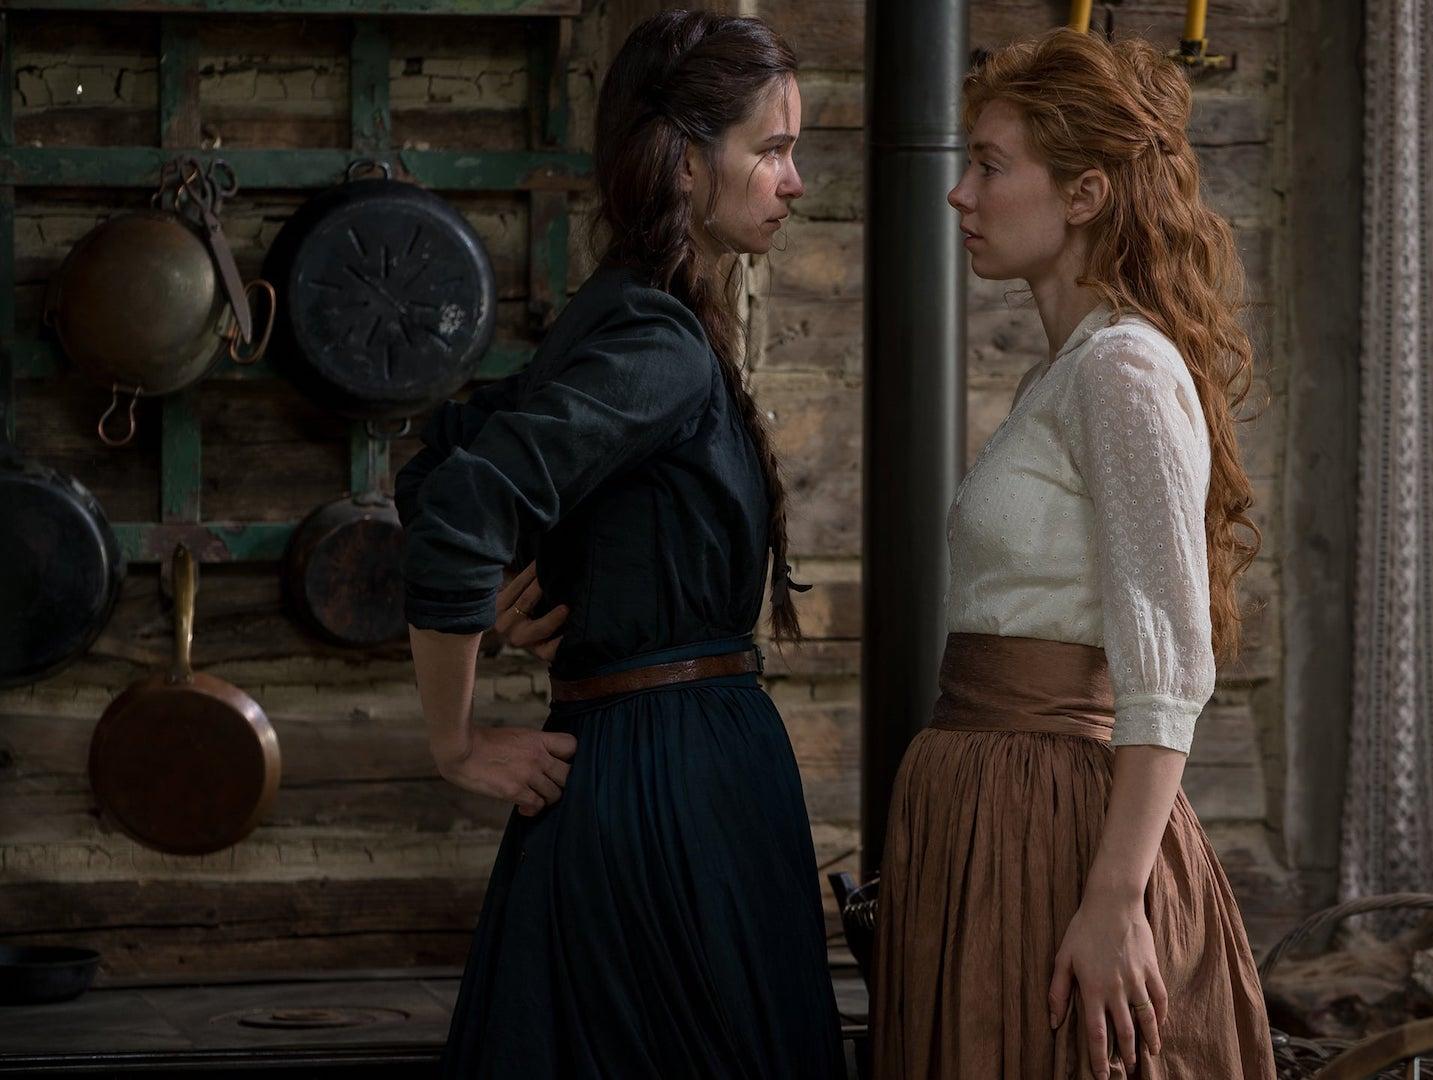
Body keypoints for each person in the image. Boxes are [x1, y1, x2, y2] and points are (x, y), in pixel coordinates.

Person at [394, 10, 844, 1077]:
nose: (795, 182)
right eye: (772, 150)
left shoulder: (630, 315)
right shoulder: (655, 341)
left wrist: (531, 579)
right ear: (685, 163)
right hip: (667, 787)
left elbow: (435, 458)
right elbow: (459, 502)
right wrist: (456, 743)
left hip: (662, 766)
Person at [869, 28, 1277, 1080]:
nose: (961, 193)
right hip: (995, 808)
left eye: (990, 166)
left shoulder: (1123, 371)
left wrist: (1114, 900)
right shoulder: (1065, 373)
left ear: (1086, 193)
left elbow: (1168, 667)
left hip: (1059, 822)